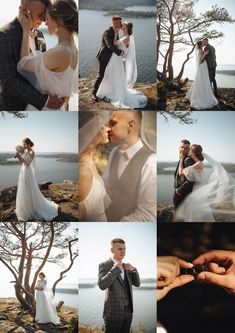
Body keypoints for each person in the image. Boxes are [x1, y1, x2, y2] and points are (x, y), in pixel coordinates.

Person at [0, 0, 65, 111]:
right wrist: (45, 100)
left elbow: (43, 69)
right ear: (24, 10)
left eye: (46, 15)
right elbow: (8, 82)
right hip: (16, 108)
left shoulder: (39, 34)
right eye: (40, 15)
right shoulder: (5, 35)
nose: (44, 19)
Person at [17, 0, 78, 111]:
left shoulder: (61, 51)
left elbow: (24, 64)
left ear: (59, 20)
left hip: (45, 108)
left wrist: (26, 30)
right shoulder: (72, 48)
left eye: (48, 18)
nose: (45, 22)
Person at [103, 111, 156, 222]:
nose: (107, 128)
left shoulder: (150, 162)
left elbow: (148, 215)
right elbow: (105, 190)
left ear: (130, 125)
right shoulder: (114, 152)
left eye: (112, 123)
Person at [174, 145, 235, 222]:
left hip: (196, 188)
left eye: (189, 150)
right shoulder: (199, 163)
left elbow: (181, 172)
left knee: (195, 209)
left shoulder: (198, 164)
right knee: (197, 209)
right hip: (198, 187)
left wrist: (181, 158)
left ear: (192, 153)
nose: (188, 151)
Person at [97, 21, 147, 109]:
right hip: (116, 57)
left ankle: (113, 92)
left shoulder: (126, 37)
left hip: (116, 58)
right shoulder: (125, 36)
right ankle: (111, 90)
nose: (121, 24)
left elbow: (114, 44)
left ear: (126, 27)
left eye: (123, 24)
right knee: (112, 75)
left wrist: (116, 33)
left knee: (111, 74)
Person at [98, 238, 140, 333]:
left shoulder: (127, 266)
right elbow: (102, 285)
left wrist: (133, 270)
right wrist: (115, 269)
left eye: (124, 249)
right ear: (112, 250)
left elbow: (137, 284)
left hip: (128, 312)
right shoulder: (104, 265)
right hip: (113, 314)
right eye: (120, 249)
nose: (123, 251)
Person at [15, 137, 58, 221]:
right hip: (23, 171)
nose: (23, 145)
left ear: (28, 144)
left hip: (27, 172)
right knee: (24, 189)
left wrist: (19, 156)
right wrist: (19, 156)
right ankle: (28, 207)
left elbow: (27, 163)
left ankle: (33, 208)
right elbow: (22, 163)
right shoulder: (26, 151)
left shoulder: (32, 152)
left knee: (29, 189)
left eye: (24, 144)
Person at [79, 112, 111, 221]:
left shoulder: (90, 161)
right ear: (90, 132)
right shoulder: (83, 169)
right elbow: (82, 216)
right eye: (102, 126)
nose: (108, 129)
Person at [92, 16, 124, 102]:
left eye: (121, 22)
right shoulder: (107, 32)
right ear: (114, 23)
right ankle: (93, 94)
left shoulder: (116, 32)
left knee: (110, 75)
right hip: (104, 57)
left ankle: (108, 91)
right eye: (119, 22)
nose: (121, 24)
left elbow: (116, 44)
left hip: (111, 58)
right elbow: (110, 46)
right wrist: (120, 52)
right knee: (101, 75)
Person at [186, 40, 218, 110]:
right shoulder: (203, 49)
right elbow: (201, 60)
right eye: (202, 43)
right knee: (206, 80)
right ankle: (208, 93)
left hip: (206, 66)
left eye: (204, 42)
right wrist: (204, 54)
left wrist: (205, 54)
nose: (203, 44)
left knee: (205, 80)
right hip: (205, 66)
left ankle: (210, 93)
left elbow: (211, 57)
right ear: (200, 45)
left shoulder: (204, 49)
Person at [173, 139, 195, 209]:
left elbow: (191, 180)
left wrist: (179, 190)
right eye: (182, 147)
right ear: (179, 148)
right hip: (180, 194)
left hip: (183, 195)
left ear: (189, 149)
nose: (183, 149)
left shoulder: (187, 160)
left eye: (186, 148)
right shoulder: (182, 158)